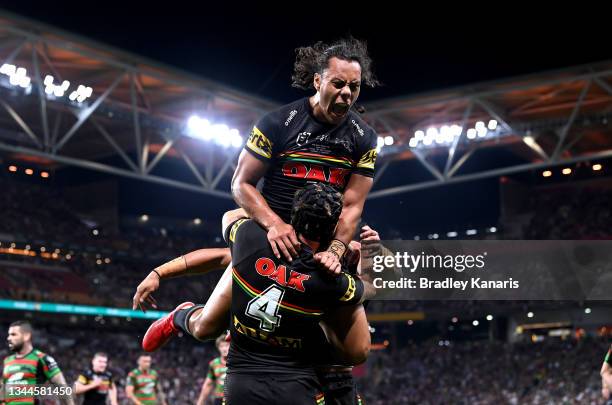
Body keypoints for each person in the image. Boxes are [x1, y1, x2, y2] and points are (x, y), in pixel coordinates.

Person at [0, 320, 74, 405]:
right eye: (9, 334)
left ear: (26, 336)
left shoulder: (42, 359)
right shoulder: (7, 361)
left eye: (13, 334)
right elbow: (4, 390)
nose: (8, 338)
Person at [196, 335, 229, 405]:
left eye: (226, 345)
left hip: (234, 398)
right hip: (219, 399)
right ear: (218, 348)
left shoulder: (237, 362)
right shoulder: (214, 364)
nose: (224, 349)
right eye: (221, 346)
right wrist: (200, 402)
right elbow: (208, 384)